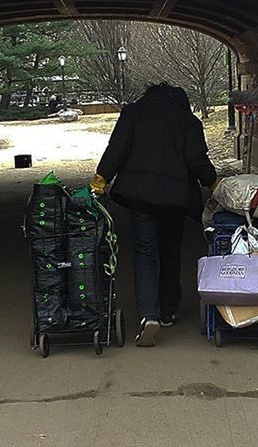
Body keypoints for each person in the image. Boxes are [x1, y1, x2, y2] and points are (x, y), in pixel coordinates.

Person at [90, 83, 217, 347]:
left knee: (145, 253)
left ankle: (149, 315)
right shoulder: (188, 121)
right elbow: (196, 159)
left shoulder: (133, 114)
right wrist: (215, 184)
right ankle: (169, 310)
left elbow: (117, 148)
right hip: (175, 199)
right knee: (170, 251)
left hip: (141, 198)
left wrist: (100, 180)